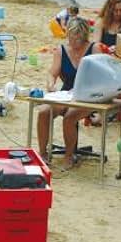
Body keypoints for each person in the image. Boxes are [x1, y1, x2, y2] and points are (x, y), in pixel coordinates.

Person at [36, 17, 102, 163]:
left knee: (70, 117)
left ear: (84, 37)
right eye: (72, 38)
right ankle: (42, 153)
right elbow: (52, 73)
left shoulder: (94, 49)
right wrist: (51, 84)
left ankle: (69, 155)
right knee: (43, 112)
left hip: (88, 96)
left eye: (78, 39)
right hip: (66, 94)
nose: (74, 43)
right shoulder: (61, 50)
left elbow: (100, 77)